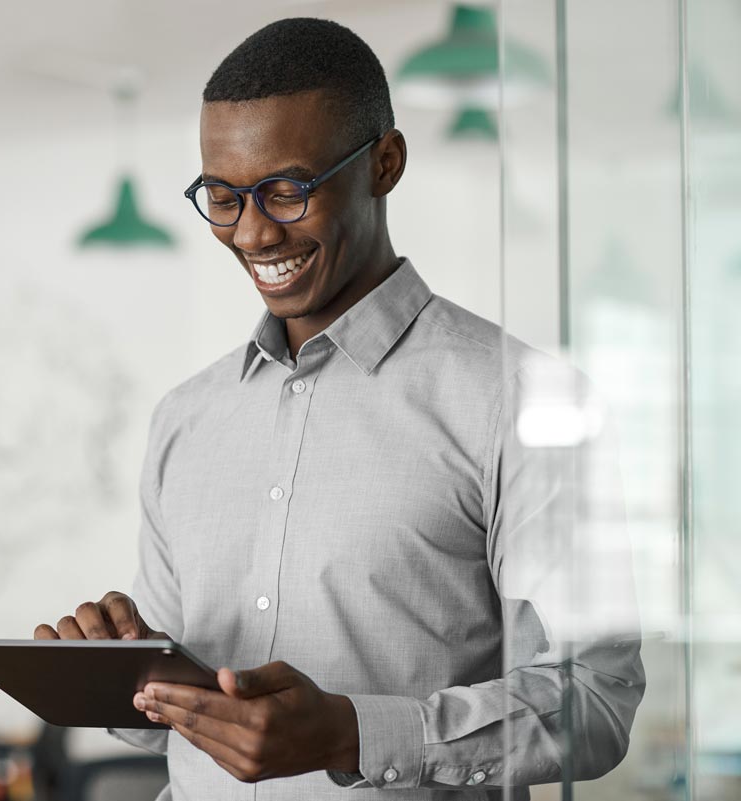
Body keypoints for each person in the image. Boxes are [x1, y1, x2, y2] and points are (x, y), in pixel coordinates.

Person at [34, 17, 644, 800]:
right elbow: (185, 712)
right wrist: (129, 670)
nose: (252, 231)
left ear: (384, 164)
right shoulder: (184, 419)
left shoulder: (524, 402)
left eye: (286, 191)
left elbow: (593, 702)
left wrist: (353, 732)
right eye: (222, 197)